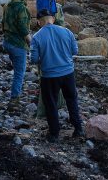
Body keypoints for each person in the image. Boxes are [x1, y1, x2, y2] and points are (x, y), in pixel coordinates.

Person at [30, 9, 83, 142]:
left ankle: (54, 133)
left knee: (51, 103)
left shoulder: (36, 37)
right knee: (71, 100)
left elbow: (34, 59)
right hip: (68, 73)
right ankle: (78, 128)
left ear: (38, 22)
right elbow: (75, 51)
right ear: (53, 18)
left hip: (49, 76)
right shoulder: (66, 31)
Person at [2, 0, 35, 110]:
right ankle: (14, 100)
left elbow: (3, 22)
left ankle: (15, 95)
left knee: (17, 70)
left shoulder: (8, 4)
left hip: (7, 42)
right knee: (19, 73)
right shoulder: (21, 8)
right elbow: (22, 28)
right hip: (17, 44)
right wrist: (30, 42)